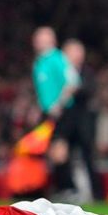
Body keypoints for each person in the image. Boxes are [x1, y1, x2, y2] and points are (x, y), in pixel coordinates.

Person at [31, 27, 81, 200]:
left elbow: (73, 81)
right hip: (50, 113)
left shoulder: (57, 58)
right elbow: (43, 91)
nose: (35, 41)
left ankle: (69, 188)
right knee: (53, 149)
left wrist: (59, 104)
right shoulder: (39, 63)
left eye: (39, 38)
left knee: (59, 148)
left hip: (64, 111)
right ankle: (63, 187)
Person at [62, 38, 102, 201]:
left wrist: (75, 89)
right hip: (65, 123)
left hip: (84, 124)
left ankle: (96, 194)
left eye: (78, 51)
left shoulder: (87, 71)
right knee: (63, 158)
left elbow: (90, 89)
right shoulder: (61, 72)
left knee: (89, 159)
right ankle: (68, 190)